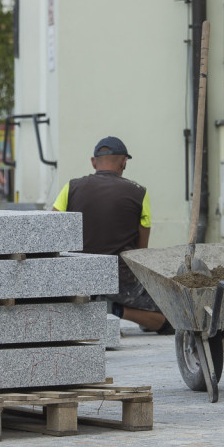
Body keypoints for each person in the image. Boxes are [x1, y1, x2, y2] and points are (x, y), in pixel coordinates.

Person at [53, 136, 172, 333]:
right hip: (121, 280)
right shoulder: (139, 193)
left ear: (93, 162)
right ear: (124, 162)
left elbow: (53, 229)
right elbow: (141, 254)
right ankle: (115, 308)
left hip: (78, 276)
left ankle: (101, 302)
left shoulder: (71, 187)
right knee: (172, 319)